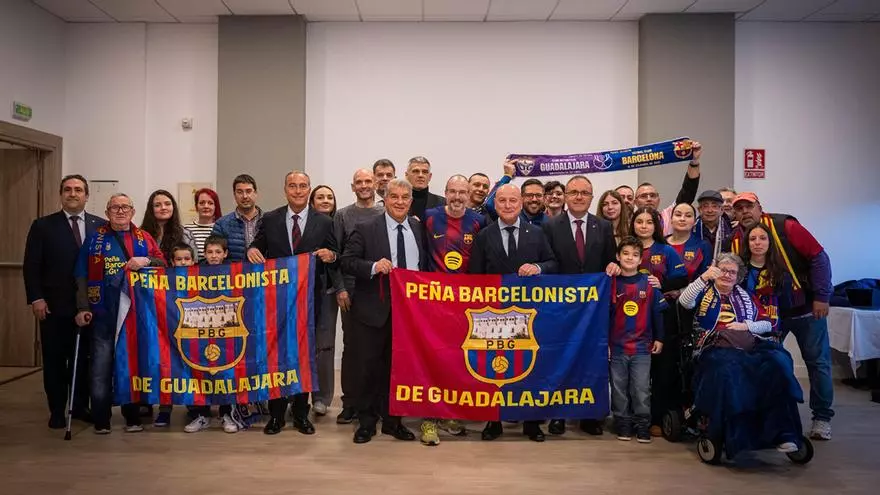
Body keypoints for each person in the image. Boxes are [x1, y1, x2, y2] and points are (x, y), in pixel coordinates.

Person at [678, 254, 805, 457]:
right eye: (723, 270)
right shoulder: (703, 291)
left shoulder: (747, 296)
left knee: (778, 363)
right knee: (730, 370)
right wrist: (704, 277)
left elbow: (767, 323)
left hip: (749, 344)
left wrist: (745, 325)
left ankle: (784, 433)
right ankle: (739, 437)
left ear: (738, 277)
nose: (727, 275)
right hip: (714, 347)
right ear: (715, 271)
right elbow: (684, 301)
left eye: (732, 272)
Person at [731, 192, 834, 440]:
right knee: (765, 362)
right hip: (768, 316)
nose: (745, 212)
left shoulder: (786, 226)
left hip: (805, 309)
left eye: (749, 206)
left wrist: (822, 296)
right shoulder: (736, 239)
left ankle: (822, 418)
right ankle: (767, 417)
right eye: (739, 208)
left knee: (817, 362)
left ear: (759, 207)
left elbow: (819, 257)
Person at [247, 171, 338, 436]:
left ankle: (300, 413)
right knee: (276, 355)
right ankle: (276, 414)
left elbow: (336, 253)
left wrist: (331, 255)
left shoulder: (324, 221)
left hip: (310, 300)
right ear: (285, 189)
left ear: (309, 189)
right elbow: (257, 246)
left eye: (303, 186)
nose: (298, 191)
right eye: (293, 186)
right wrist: (252, 249)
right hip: (276, 301)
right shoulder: (270, 218)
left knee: (304, 356)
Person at [470, 184, 558, 442]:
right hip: (493, 316)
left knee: (530, 367)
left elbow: (553, 263)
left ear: (520, 203)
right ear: (494, 204)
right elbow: (474, 276)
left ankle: (531, 423)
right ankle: (493, 421)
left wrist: (538, 268)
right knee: (494, 369)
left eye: (512, 200)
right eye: (502, 201)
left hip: (529, 314)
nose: (507, 205)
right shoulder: (484, 235)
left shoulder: (537, 233)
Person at [341, 178, 426, 444]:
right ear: (385, 199)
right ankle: (366, 423)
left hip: (408, 313)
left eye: (404, 197)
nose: (399, 202)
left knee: (398, 369)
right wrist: (373, 266)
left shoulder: (417, 227)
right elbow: (347, 261)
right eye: (394, 197)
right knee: (368, 369)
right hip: (372, 312)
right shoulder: (366, 228)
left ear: (410, 201)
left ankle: (393, 422)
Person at [74, 193, 165, 434]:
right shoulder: (94, 239)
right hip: (102, 313)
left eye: (125, 207)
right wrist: (83, 307)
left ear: (133, 212)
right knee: (100, 367)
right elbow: (81, 275)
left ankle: (132, 416)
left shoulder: (144, 238)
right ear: (107, 212)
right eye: (115, 207)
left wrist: (146, 260)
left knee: (131, 365)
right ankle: (101, 418)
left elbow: (163, 264)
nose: (121, 211)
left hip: (134, 316)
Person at [23, 174, 103, 429]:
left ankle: (79, 406)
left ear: (87, 195)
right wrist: (36, 298)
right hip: (54, 306)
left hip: (90, 307)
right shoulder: (43, 226)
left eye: (78, 190)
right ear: (61, 195)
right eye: (67, 189)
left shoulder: (100, 226)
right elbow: (32, 266)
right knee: (55, 361)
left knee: (84, 360)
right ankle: (57, 409)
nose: (73, 194)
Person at [542, 175, 616, 436]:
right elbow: (548, 263)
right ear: (565, 196)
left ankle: (589, 415)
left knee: (590, 360)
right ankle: (558, 415)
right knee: (560, 359)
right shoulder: (550, 226)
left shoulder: (603, 227)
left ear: (592, 197)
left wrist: (613, 265)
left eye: (584, 193)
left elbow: (610, 260)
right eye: (573, 192)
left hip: (593, 310)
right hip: (560, 308)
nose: (579, 197)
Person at [419, 175, 483, 446]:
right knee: (431, 359)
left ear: (469, 195)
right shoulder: (429, 217)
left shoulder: (478, 221)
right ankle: (428, 419)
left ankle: (449, 414)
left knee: (458, 359)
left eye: (462, 192)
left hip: (464, 304)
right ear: (445, 192)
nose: (457, 197)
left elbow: (481, 261)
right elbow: (420, 255)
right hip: (433, 302)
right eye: (453, 191)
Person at [627, 206, 688, 436]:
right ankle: (631, 417)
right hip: (630, 318)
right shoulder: (625, 249)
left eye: (649, 222)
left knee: (662, 370)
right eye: (639, 221)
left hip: (661, 316)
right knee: (633, 370)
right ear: (633, 224)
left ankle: (656, 418)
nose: (644, 226)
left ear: (657, 226)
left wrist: (663, 284)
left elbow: (682, 277)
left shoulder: (666, 250)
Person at [332, 169, 385, 424]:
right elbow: (337, 256)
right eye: (359, 182)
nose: (364, 186)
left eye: (368, 181)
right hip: (351, 292)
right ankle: (350, 402)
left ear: (375, 184)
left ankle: (377, 403)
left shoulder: (385, 212)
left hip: (380, 291)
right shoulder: (343, 215)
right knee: (352, 348)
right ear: (352, 187)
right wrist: (340, 288)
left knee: (379, 349)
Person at [184, 236, 248, 433]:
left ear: (225, 253)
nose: (213, 256)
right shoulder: (194, 271)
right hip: (199, 328)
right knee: (199, 370)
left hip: (227, 329)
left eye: (218, 252)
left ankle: (227, 413)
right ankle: (201, 415)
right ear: (204, 253)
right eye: (210, 252)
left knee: (226, 372)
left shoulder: (235, 272)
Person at [609, 236, 666, 443]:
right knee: (618, 388)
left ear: (641, 259)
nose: (629, 258)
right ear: (617, 257)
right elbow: (605, 316)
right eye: (625, 253)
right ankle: (622, 422)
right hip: (617, 347)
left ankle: (643, 424)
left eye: (634, 255)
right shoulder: (611, 284)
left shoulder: (649, 283)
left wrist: (660, 338)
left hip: (642, 347)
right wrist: (605, 344)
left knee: (641, 388)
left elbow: (658, 313)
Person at [154, 242, 196, 429]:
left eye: (187, 259)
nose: (183, 262)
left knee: (192, 368)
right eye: (179, 259)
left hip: (192, 331)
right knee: (167, 369)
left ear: (193, 261)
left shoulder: (202, 278)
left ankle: (194, 407)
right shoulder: (164, 279)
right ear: (172, 262)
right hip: (169, 330)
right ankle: (165, 409)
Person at [308, 185, 339, 417]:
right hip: (300, 292)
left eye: (329, 197)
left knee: (325, 347)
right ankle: (298, 395)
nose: (325, 200)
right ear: (312, 202)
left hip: (328, 290)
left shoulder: (339, 224)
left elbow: (346, 255)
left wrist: (334, 256)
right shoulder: (302, 225)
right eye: (320, 197)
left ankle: (322, 398)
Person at [633, 140, 702, 235]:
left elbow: (689, 190)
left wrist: (694, 161)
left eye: (653, 195)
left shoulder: (670, 215)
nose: (649, 199)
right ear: (635, 202)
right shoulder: (629, 222)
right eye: (644, 196)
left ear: (659, 200)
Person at [739, 223, 794, 335]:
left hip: (771, 330)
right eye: (752, 239)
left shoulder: (782, 274)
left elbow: (786, 308)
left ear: (770, 242)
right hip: (742, 328)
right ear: (747, 243)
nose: (757, 242)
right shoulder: (738, 269)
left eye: (763, 238)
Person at [212, 174, 262, 262]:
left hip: (265, 270)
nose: (245, 196)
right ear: (234, 195)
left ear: (255, 193)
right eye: (239, 192)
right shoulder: (221, 224)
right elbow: (215, 256)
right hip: (233, 270)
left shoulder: (269, 221)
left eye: (248, 191)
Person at [140, 189, 197, 265]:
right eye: (157, 205)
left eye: (167, 204)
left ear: (173, 207)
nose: (163, 207)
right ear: (151, 209)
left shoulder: (186, 234)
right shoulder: (140, 234)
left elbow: (194, 262)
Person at [483, 160, 546, 226]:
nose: (534, 199)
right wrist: (507, 176)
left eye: (538, 195)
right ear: (521, 198)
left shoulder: (550, 223)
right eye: (529, 195)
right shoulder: (510, 216)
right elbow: (489, 204)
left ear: (544, 198)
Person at [694, 190, 733, 258]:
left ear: (721, 210)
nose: (710, 210)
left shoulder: (731, 229)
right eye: (705, 206)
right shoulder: (691, 230)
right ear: (699, 210)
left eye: (714, 206)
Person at [187, 188, 223, 261]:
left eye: (210, 203)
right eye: (202, 203)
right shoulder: (186, 229)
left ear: (215, 207)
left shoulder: (221, 228)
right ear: (196, 206)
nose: (206, 206)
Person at [405, 156, 445, 220]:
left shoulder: (443, 203)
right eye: (416, 171)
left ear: (430, 176)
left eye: (425, 172)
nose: (420, 175)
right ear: (406, 175)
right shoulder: (397, 202)